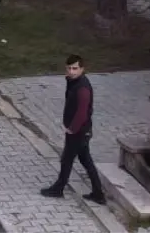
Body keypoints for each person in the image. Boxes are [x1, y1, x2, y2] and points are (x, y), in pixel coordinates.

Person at [40, 55, 106, 205]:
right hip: (81, 131)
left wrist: (72, 129)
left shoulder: (82, 88)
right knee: (85, 160)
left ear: (82, 69)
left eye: (75, 68)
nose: (71, 71)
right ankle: (98, 193)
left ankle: (58, 188)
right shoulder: (74, 82)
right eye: (69, 68)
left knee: (67, 159)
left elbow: (82, 112)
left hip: (78, 131)